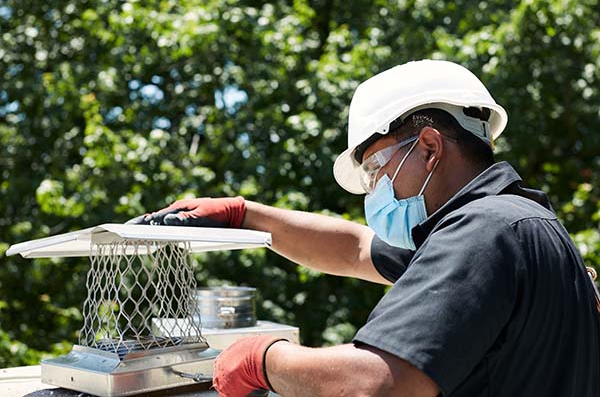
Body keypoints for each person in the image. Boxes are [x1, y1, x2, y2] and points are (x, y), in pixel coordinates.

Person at [132, 60, 600, 396]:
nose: (373, 189)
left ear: (430, 147)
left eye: (375, 169)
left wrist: (264, 359)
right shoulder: (523, 223)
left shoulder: (483, 233)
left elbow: (375, 384)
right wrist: (246, 214)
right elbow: (357, 249)